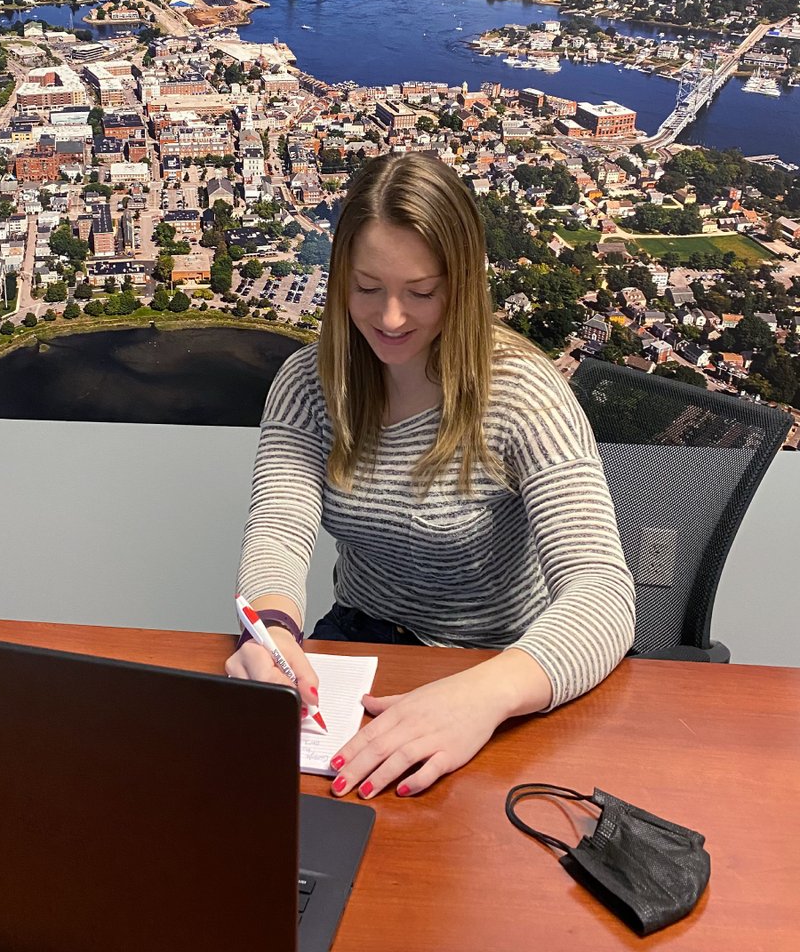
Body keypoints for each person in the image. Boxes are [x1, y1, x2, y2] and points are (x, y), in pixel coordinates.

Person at [226, 152, 635, 800]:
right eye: (366, 288)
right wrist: (272, 633)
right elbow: (279, 528)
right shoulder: (310, 385)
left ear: (461, 284)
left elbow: (602, 591)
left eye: (421, 292)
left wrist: (485, 693)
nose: (390, 318)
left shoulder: (522, 394)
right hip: (356, 647)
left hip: (498, 663)